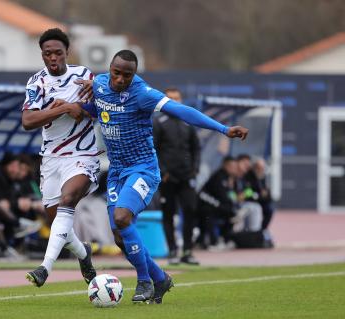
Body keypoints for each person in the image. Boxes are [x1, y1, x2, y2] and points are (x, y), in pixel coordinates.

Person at [58, 50, 248, 304]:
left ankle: (144, 281)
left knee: (122, 217)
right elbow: (100, 108)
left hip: (143, 169)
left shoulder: (143, 93)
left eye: (128, 75)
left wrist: (223, 129)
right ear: (110, 69)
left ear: (134, 75)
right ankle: (160, 279)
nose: (121, 79)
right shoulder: (100, 84)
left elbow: (182, 111)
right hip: (117, 172)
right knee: (119, 237)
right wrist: (77, 107)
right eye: (117, 73)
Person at [21, 28, 99, 287]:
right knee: (59, 225)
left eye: (58, 53)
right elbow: (28, 120)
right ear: (42, 55)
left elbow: (99, 109)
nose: (53, 58)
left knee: (68, 201)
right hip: (51, 158)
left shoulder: (84, 76)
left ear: (67, 52)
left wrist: (79, 108)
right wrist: (64, 109)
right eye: (47, 54)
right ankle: (83, 253)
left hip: (83, 154)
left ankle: (45, 268)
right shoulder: (37, 83)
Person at [153, 87, 201, 265]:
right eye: (170, 98)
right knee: (168, 214)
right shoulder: (158, 122)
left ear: (181, 100)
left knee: (190, 211)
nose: (174, 101)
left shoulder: (187, 121)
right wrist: (162, 172)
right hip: (168, 178)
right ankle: (173, 250)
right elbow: (154, 149)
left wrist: (195, 169)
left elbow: (196, 148)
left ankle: (187, 251)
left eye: (176, 98)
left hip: (187, 176)